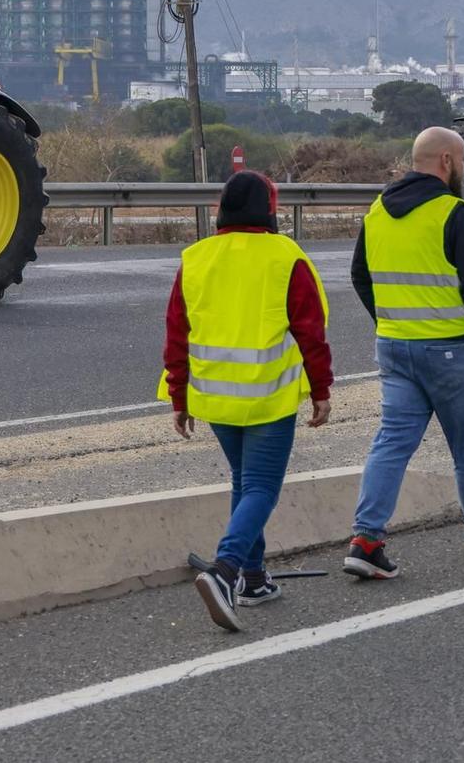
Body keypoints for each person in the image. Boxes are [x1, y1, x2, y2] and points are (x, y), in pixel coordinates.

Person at [343, 126, 464, 579]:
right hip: (452, 350)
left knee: (391, 444)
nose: (463, 168)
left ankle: (366, 541)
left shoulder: (378, 210)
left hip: (395, 348)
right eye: (461, 160)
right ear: (445, 161)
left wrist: (389, 320)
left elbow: (360, 276)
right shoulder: (453, 212)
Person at [161, 170, 333, 632]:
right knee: (260, 487)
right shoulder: (285, 257)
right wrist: (321, 390)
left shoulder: (196, 258)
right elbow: (309, 332)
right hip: (268, 396)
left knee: (244, 481)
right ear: (269, 209)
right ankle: (225, 570)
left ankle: (253, 580)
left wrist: (179, 394)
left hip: (215, 397)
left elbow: (178, 331)